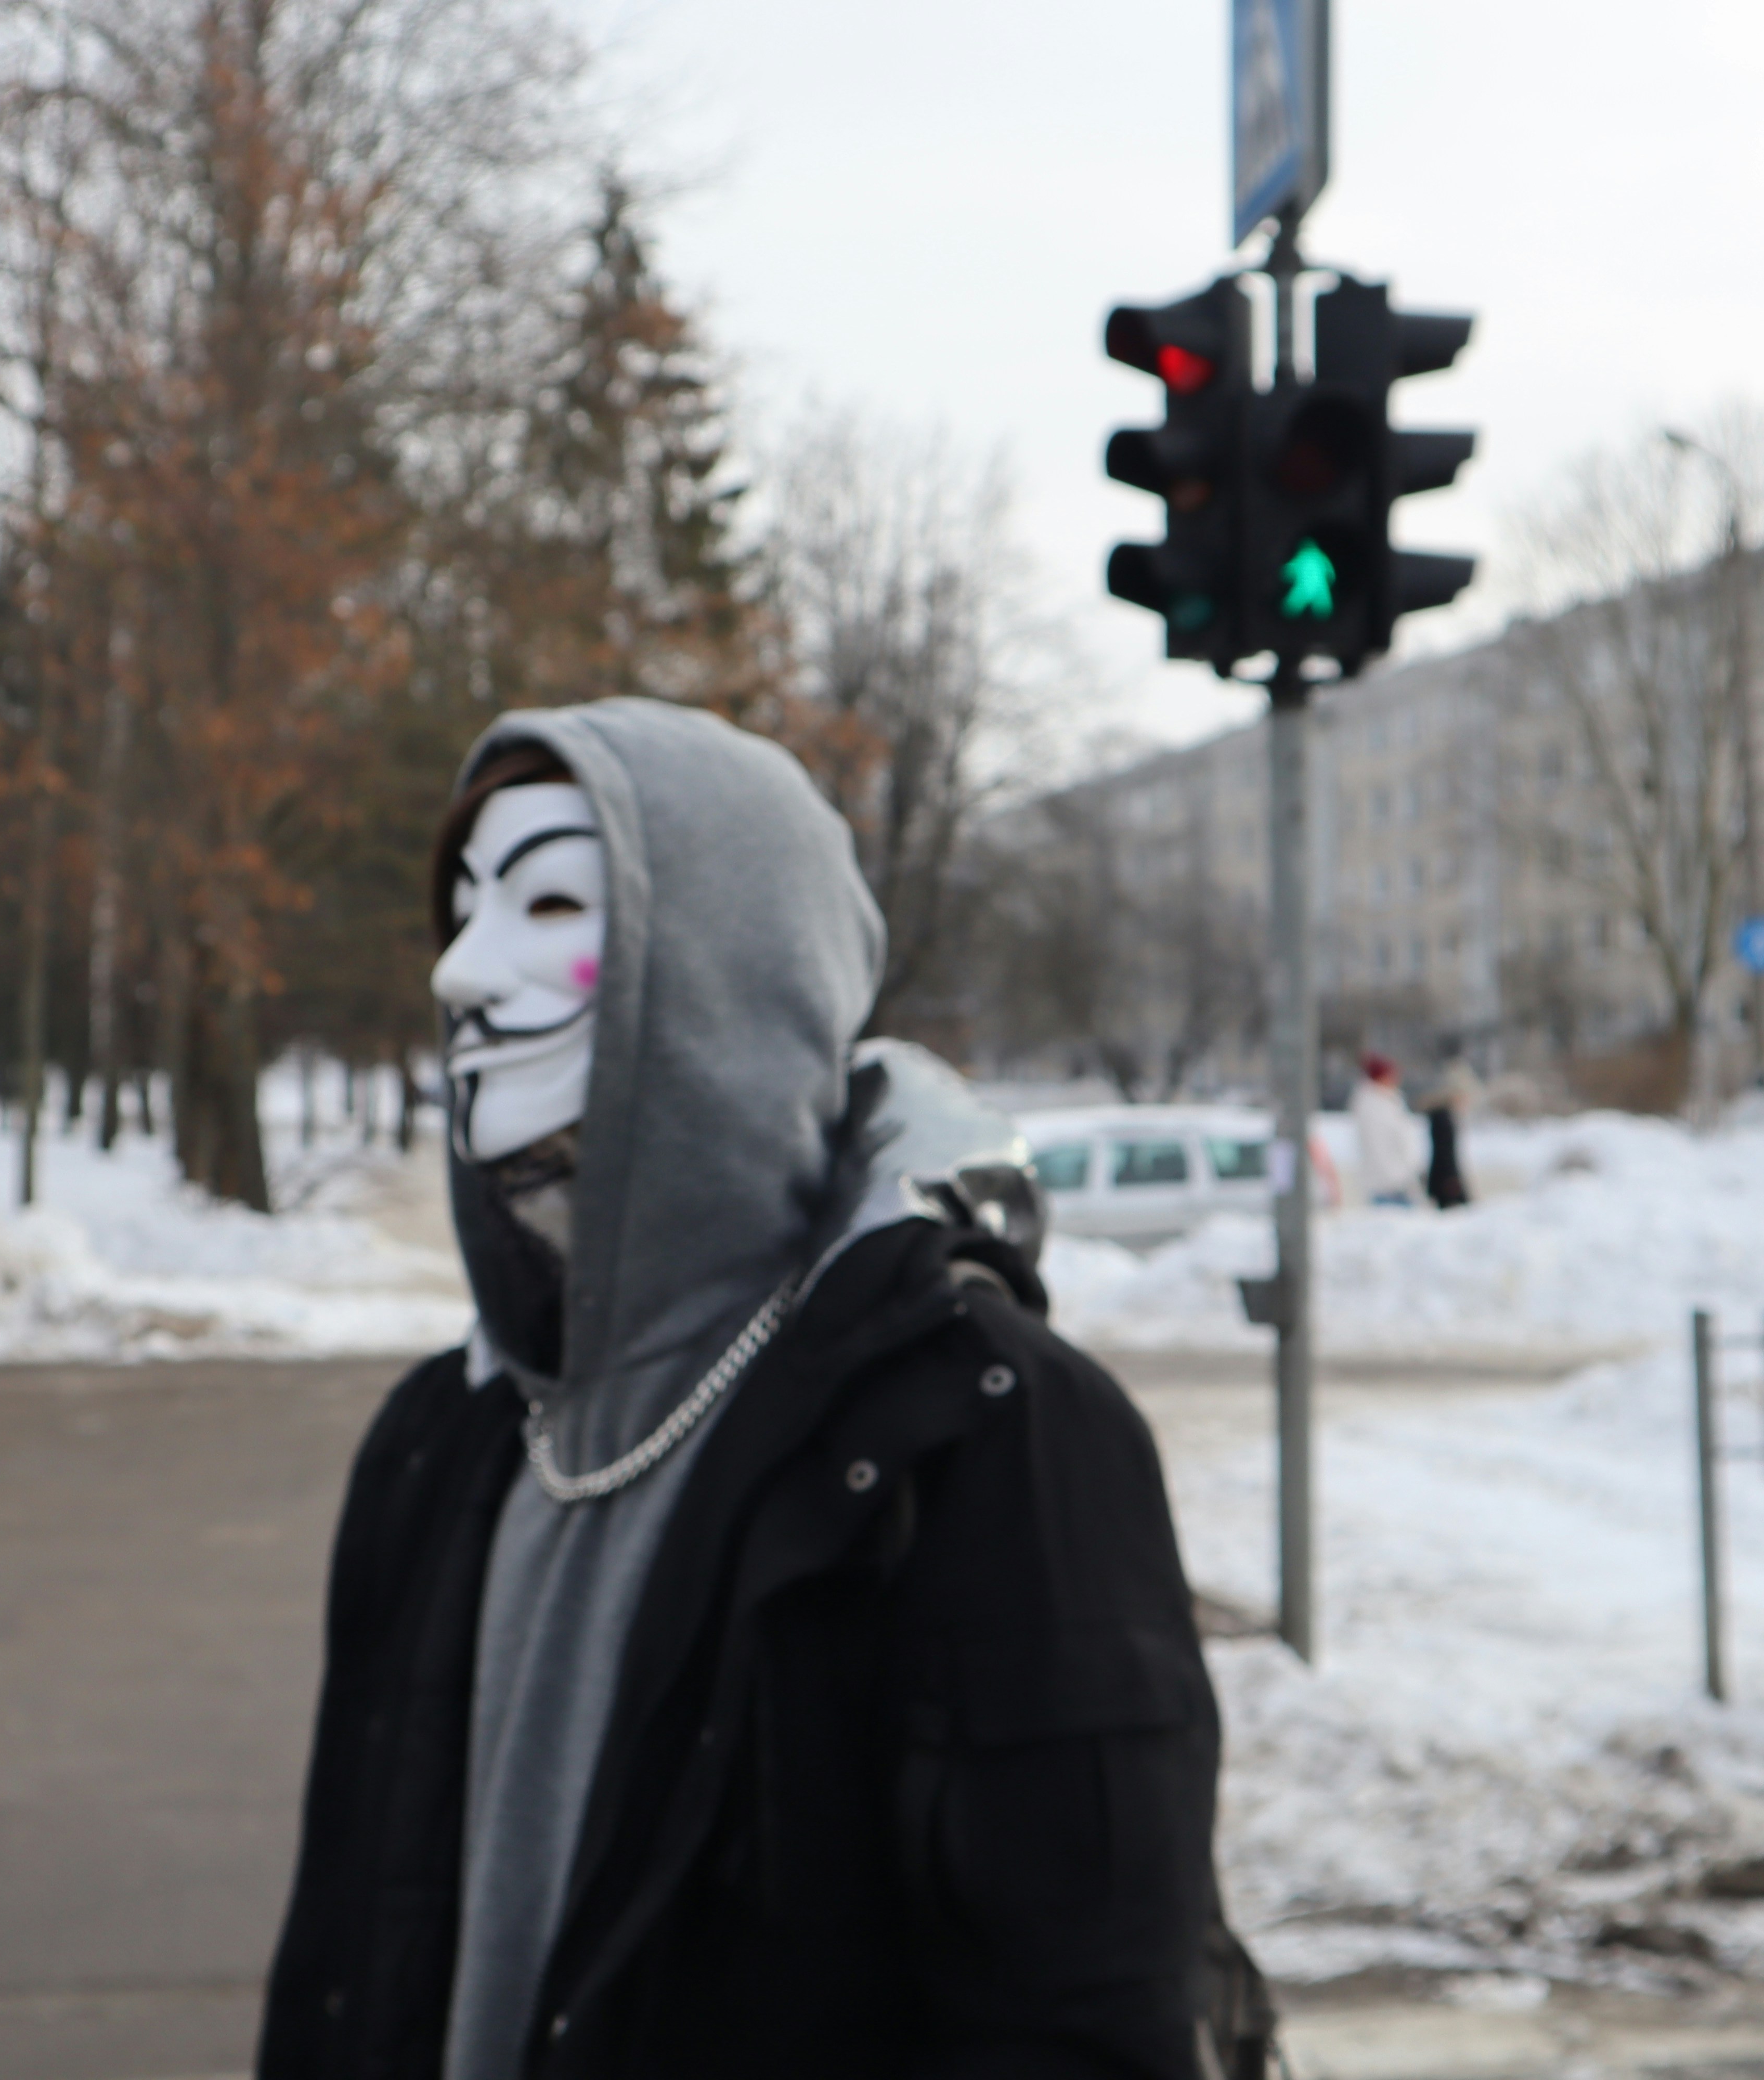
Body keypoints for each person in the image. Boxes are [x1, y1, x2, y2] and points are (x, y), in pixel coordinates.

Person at [259, 698, 1273, 2080]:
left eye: (547, 901)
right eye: (462, 910)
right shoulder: (443, 1439)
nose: (459, 975)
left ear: (723, 978)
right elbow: (346, 1960)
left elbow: (1077, 2028)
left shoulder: (988, 1439)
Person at [1349, 1051, 1418, 1209]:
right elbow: (1382, 1146)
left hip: (1398, 1182)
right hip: (1389, 1185)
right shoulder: (1374, 1105)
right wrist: (1399, 1174)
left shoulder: (1387, 1102)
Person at [1422, 1050, 1479, 1211]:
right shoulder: (1443, 1117)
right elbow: (1444, 1152)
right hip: (1446, 1181)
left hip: (1445, 1179)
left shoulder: (1446, 1116)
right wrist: (1452, 1181)